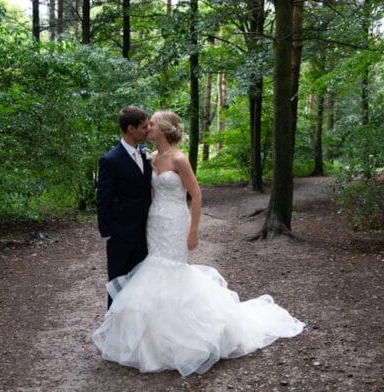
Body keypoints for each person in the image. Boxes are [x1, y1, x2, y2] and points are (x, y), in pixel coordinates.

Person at [92, 110, 305, 376]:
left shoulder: (179, 158)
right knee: (148, 275)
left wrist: (194, 231)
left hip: (174, 223)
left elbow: (196, 194)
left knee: (172, 272)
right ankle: (137, 336)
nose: (149, 127)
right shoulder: (151, 157)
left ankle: (179, 336)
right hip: (153, 225)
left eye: (153, 123)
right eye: (146, 124)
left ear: (163, 128)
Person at [96, 106, 153, 308]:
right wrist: (109, 232)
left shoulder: (146, 156)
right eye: (144, 127)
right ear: (131, 128)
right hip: (121, 235)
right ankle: (113, 332)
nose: (149, 130)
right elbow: (103, 199)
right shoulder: (110, 160)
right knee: (118, 285)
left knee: (142, 285)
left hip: (146, 234)